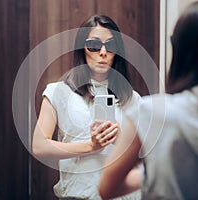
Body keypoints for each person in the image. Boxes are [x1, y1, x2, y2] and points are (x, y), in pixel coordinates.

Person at [99, 1, 198, 199]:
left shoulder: (149, 111)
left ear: (179, 50)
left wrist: (156, 170)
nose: (102, 53)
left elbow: (107, 188)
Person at [32, 15, 142, 199]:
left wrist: (120, 139)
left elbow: (146, 153)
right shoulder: (59, 92)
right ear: (82, 48)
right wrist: (91, 146)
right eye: (94, 45)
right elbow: (39, 146)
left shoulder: (132, 98)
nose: (103, 52)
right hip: (78, 194)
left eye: (111, 45)